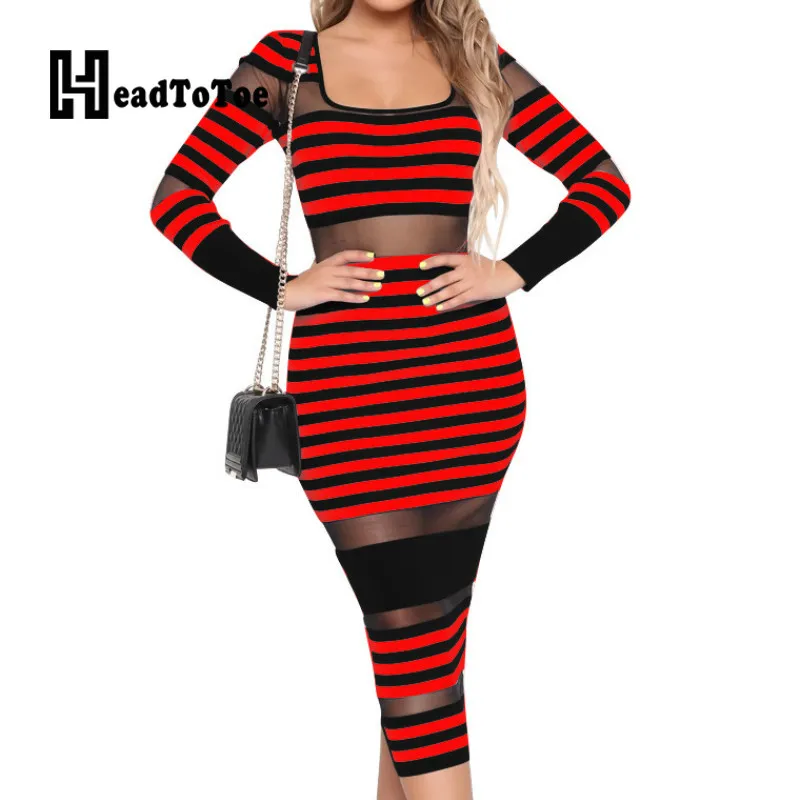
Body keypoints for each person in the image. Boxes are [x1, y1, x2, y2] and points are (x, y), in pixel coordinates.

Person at [150, 1, 631, 797]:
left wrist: (510, 271)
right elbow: (177, 200)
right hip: (348, 396)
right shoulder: (283, 65)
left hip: (472, 388)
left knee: (422, 644)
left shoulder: (473, 57)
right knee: (411, 638)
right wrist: (284, 288)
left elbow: (602, 184)